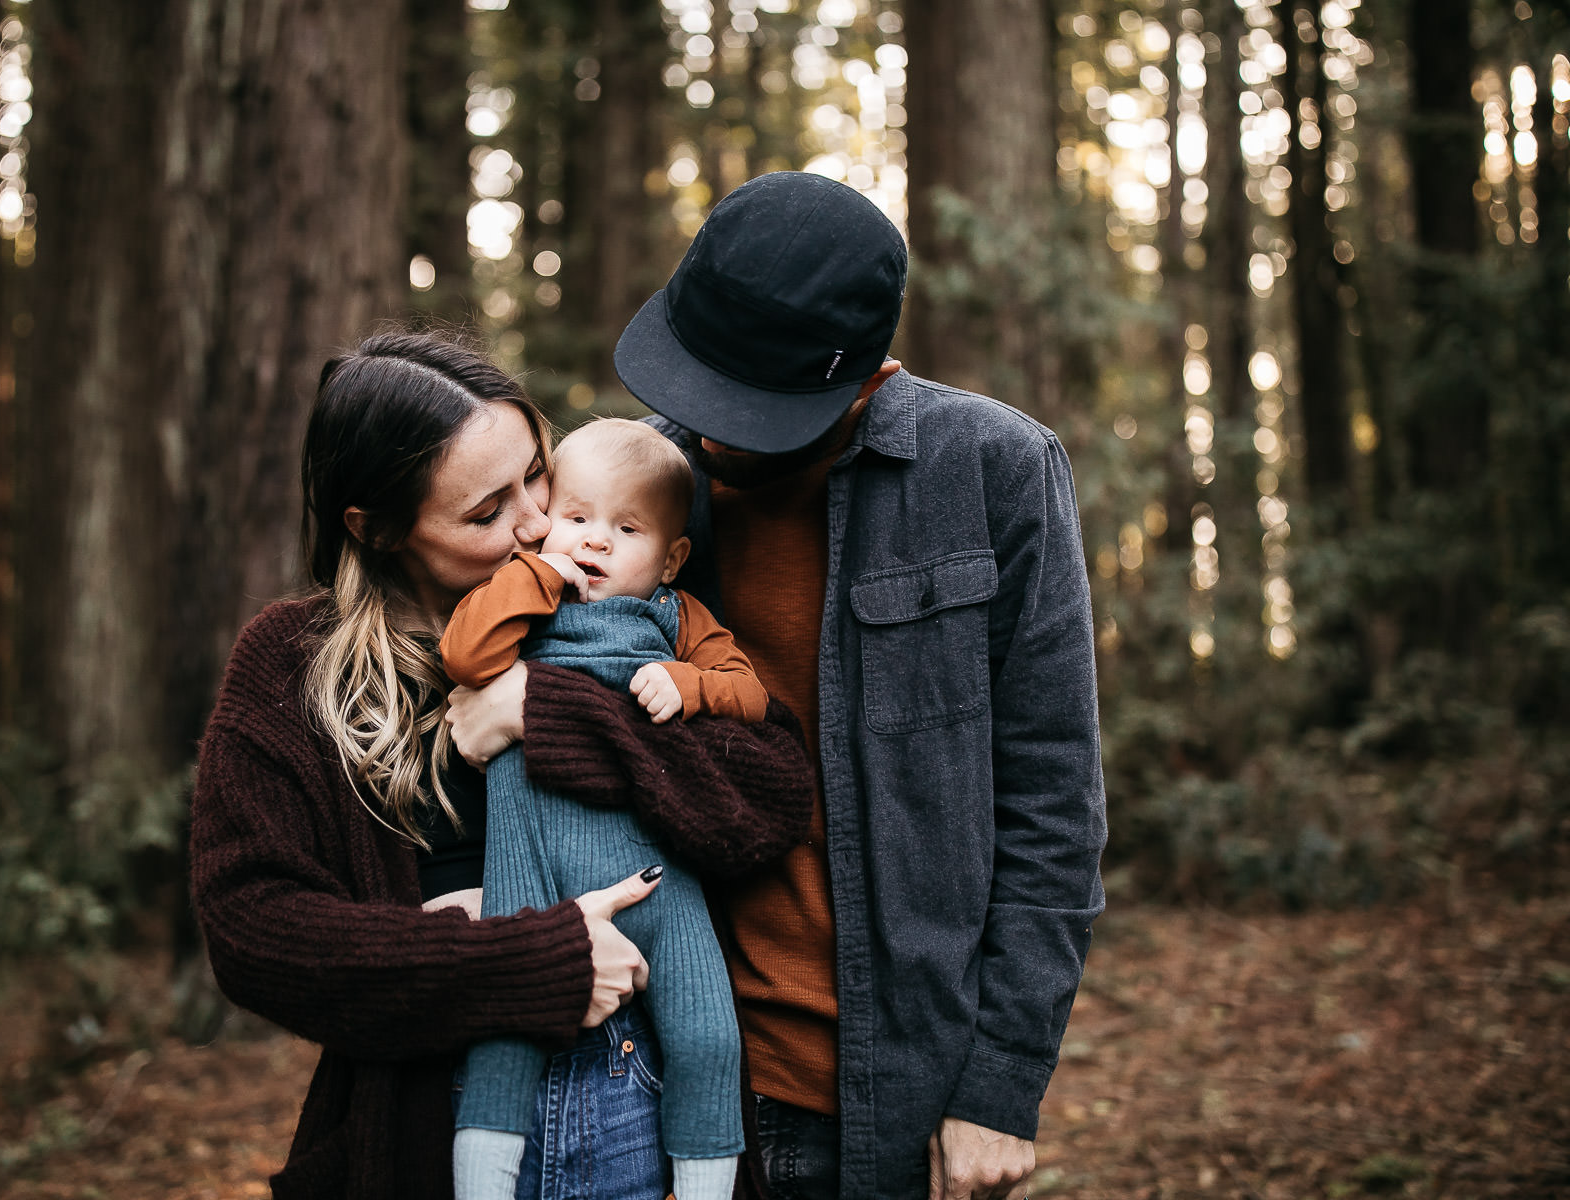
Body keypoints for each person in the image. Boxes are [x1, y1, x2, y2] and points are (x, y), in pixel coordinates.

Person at [448, 172, 1108, 1200]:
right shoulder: (650, 489)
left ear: (856, 377)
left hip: (886, 1089)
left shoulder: (994, 472)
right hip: (655, 1051)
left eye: (742, 403)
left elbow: (1052, 805)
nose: (704, 429)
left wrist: (1000, 1085)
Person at [188, 331, 815, 1200]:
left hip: (641, 1097)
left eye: (537, 475)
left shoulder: (623, 595)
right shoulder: (294, 665)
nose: (534, 525)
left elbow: (770, 798)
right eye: (486, 513)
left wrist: (552, 713)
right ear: (378, 530)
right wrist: (513, 954)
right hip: (431, 1123)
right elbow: (254, 932)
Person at [443, 419, 770, 1200]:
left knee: (707, 1033)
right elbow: (467, 656)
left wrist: (693, 686)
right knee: (505, 1039)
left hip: (658, 875)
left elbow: (751, 694)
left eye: (626, 529)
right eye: (577, 516)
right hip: (531, 865)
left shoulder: (679, 617)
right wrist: (534, 574)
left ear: (671, 556)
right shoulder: (522, 599)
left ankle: (704, 1186)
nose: (592, 541)